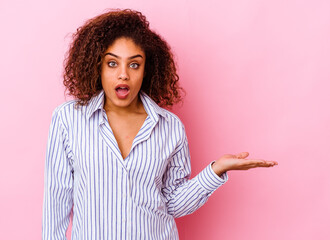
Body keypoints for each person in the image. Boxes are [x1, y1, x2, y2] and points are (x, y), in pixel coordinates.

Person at [42, 9, 278, 240]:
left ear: (146, 70)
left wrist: (216, 170)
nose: (123, 74)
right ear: (98, 67)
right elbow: (56, 202)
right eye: (112, 63)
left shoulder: (169, 127)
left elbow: (174, 203)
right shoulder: (68, 120)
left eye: (134, 64)